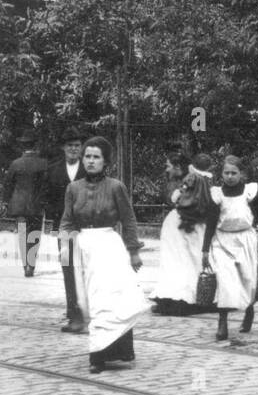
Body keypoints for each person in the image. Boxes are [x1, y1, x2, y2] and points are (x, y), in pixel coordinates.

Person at [60, 136, 150, 374]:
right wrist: (66, 243)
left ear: (105, 161)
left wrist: (133, 251)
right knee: (89, 301)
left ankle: (98, 356)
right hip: (83, 249)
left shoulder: (116, 187)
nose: (90, 161)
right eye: (87, 156)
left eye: (96, 157)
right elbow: (67, 222)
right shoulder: (73, 189)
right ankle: (103, 349)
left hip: (110, 248)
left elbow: (128, 220)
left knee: (110, 299)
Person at [202, 155, 258, 342]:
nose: (229, 176)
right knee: (225, 280)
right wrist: (205, 249)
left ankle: (249, 310)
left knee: (247, 278)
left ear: (242, 174)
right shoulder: (217, 194)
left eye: (234, 173)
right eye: (226, 172)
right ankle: (223, 322)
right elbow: (211, 222)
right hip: (222, 241)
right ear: (221, 174)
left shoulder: (249, 192)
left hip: (245, 239)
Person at [153, 152, 211, 315]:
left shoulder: (186, 181)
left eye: (168, 166)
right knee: (188, 260)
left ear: (178, 167)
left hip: (182, 223)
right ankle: (181, 296)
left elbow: (174, 199)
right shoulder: (201, 180)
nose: (166, 169)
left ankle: (181, 297)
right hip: (193, 224)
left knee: (180, 261)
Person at [44, 127, 86, 327]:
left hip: (88, 227)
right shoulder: (52, 170)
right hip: (64, 227)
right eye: (70, 145)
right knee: (68, 267)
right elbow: (47, 199)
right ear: (63, 147)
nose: (74, 149)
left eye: (77, 145)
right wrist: (56, 224)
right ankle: (73, 311)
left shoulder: (89, 168)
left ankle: (90, 307)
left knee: (87, 267)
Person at [3, 130, 46, 278]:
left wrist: (6, 202)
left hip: (19, 207)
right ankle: (31, 266)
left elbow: (8, 185)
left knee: (22, 235)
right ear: (35, 146)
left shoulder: (15, 164)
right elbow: (45, 186)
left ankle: (25, 266)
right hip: (36, 207)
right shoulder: (42, 164)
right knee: (34, 235)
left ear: (23, 146)